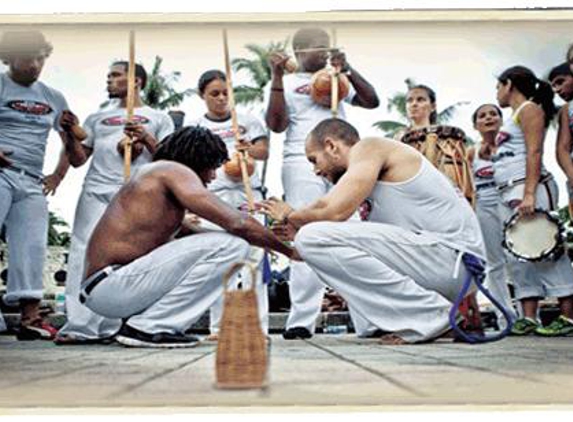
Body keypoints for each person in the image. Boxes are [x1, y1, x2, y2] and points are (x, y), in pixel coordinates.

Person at [260, 118, 486, 344]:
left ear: (331, 146)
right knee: (311, 238)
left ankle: (430, 319)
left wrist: (290, 215)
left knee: (312, 236)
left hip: (452, 262)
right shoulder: (368, 176)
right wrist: (288, 241)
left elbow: (332, 210)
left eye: (314, 160)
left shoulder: (370, 147)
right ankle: (433, 318)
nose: (316, 171)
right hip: (446, 267)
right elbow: (324, 243)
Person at [80, 126, 296, 348]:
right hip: (111, 285)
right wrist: (290, 251)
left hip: (110, 289)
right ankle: (150, 327)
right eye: (212, 167)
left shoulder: (157, 180)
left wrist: (263, 239)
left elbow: (203, 238)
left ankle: (149, 324)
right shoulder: (171, 170)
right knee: (233, 244)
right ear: (197, 159)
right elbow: (238, 223)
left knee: (229, 243)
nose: (213, 176)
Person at [265, 27, 379, 339]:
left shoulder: (338, 78)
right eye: (320, 48)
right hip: (302, 161)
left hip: (343, 159)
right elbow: (276, 125)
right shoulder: (285, 83)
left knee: (353, 230)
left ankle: (369, 320)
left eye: (329, 47)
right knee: (304, 232)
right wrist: (276, 76)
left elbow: (372, 102)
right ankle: (301, 320)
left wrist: (349, 69)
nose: (326, 53)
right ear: (300, 51)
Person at [54, 62, 175, 345]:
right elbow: (78, 159)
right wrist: (70, 134)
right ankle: (80, 325)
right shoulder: (97, 118)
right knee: (83, 251)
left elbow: (170, 159)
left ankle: (120, 324)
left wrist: (145, 136)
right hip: (96, 190)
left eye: (116, 75)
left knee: (133, 256)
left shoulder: (158, 117)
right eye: (108, 75)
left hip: (137, 192)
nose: (109, 80)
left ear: (137, 81)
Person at [0, 30, 80, 340]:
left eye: (39, 58)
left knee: (32, 245)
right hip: (0, 173)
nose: (34, 65)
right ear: (8, 58)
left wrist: (58, 175)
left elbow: (73, 148)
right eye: (26, 58)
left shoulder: (53, 97)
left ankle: (29, 318)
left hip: (31, 180)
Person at [188, 69, 270, 339]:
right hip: (215, 195)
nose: (222, 98)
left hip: (249, 195)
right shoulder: (196, 125)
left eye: (226, 93)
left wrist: (248, 147)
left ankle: (256, 326)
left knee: (254, 258)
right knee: (219, 259)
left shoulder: (247, 121)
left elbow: (263, 151)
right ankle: (219, 327)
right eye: (214, 94)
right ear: (203, 96)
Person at [493, 65, 573, 336]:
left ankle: (567, 316)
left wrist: (529, 194)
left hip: (529, 188)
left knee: (545, 248)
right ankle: (529, 317)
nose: (496, 93)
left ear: (509, 84)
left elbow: (534, 152)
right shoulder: (511, 117)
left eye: (498, 86)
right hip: (507, 191)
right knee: (517, 253)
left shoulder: (529, 110)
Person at [467, 104, 517, 329]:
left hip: (510, 199)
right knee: (494, 264)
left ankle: (528, 315)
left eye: (493, 114)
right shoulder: (472, 151)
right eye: (482, 115)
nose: (488, 118)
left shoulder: (513, 145)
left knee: (517, 257)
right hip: (484, 206)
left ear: (501, 118)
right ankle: (505, 317)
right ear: (475, 125)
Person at [549, 63, 573, 218]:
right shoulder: (567, 110)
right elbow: (562, 149)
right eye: (553, 86)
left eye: (560, 81)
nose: (557, 90)